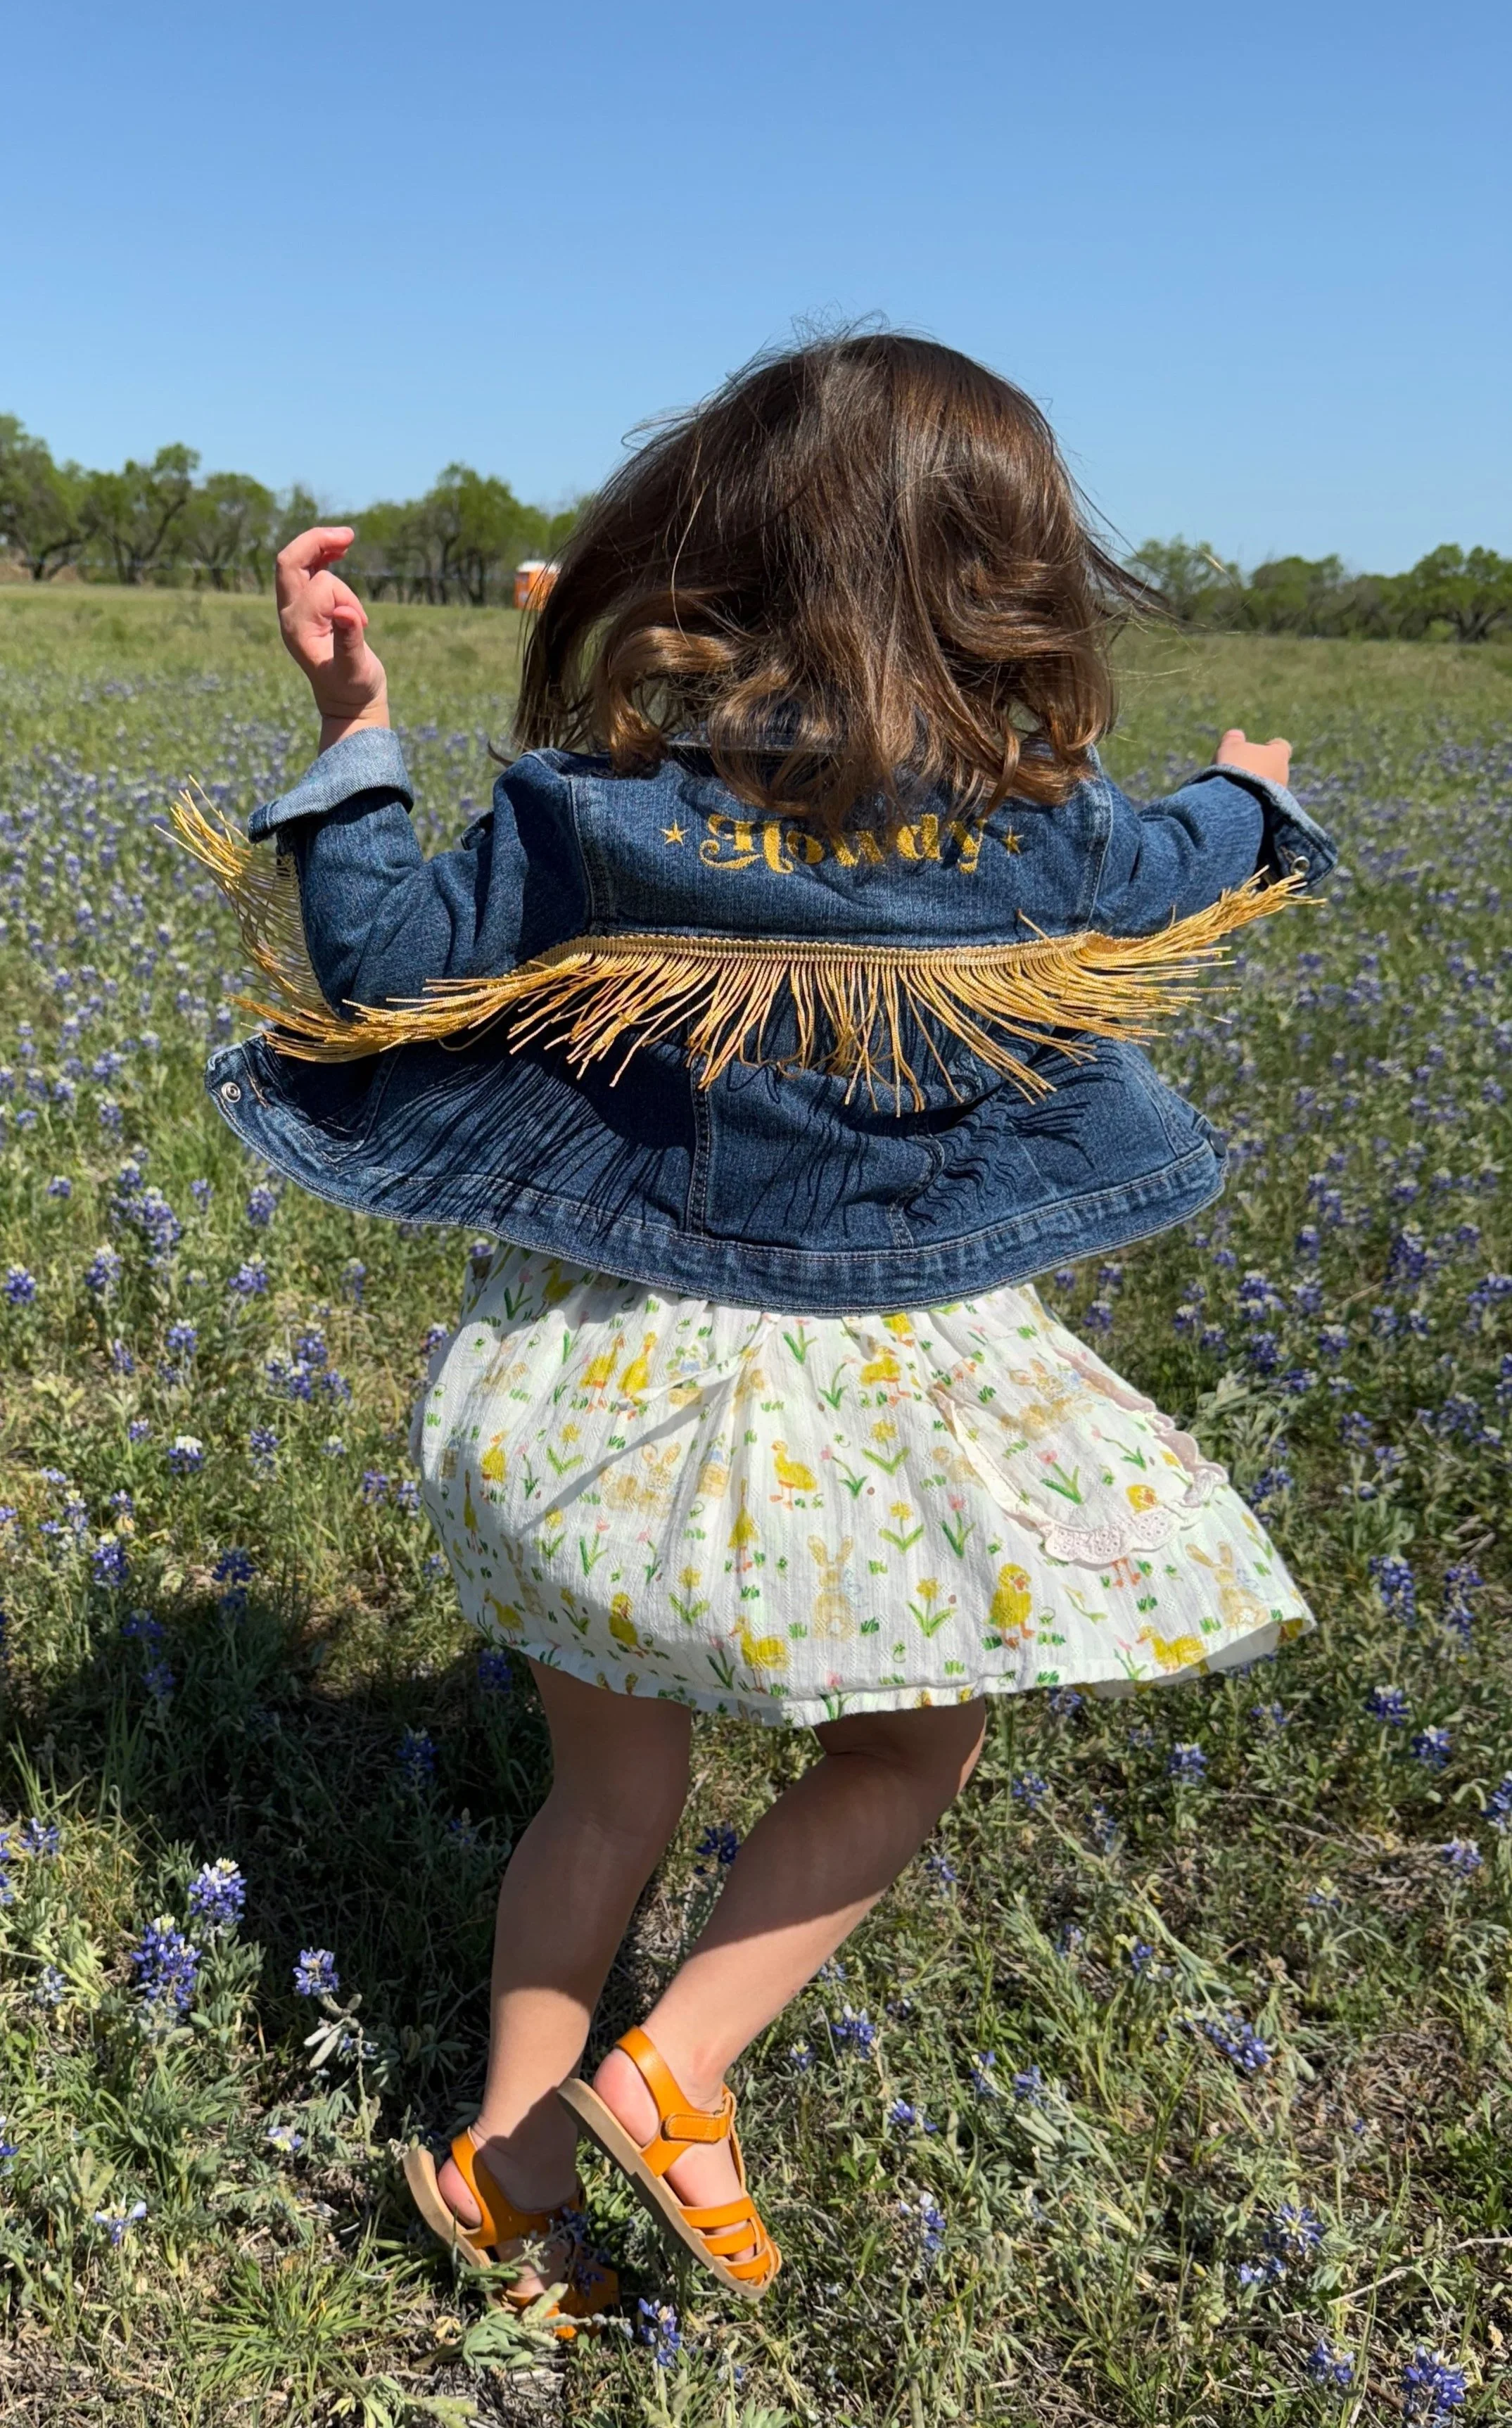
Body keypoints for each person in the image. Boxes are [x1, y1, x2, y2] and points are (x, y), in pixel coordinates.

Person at [179, 332, 1335, 2327]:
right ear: (1006, 572)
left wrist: (353, 720)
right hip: (863, 1389)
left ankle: (513, 2183)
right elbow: (1168, 872)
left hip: (598, 1388)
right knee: (909, 1738)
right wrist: (1251, 803)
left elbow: (376, 954)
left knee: (605, 1796)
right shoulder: (1025, 823)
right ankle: (674, 2076)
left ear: (713, 538)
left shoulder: (594, 803)